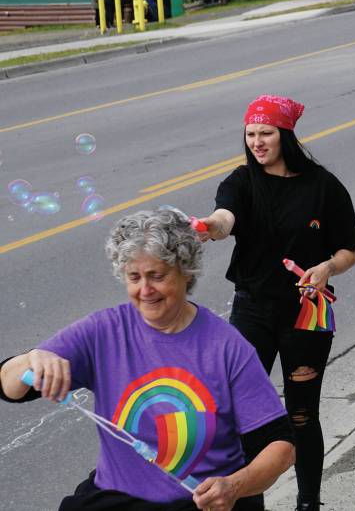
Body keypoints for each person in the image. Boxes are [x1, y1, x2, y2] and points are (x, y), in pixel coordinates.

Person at [0, 209, 295, 511]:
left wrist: (234, 486)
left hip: (203, 501)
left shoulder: (227, 347)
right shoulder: (104, 331)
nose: (145, 290)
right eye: (134, 277)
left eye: (157, 275)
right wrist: (30, 360)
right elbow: (8, 386)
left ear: (185, 271)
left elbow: (280, 447)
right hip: (118, 499)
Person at [197, 95, 355, 511]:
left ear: (285, 135)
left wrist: (327, 267)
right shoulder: (241, 181)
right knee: (240, 412)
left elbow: (349, 250)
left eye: (266, 133)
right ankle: (245, 498)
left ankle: (309, 503)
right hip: (252, 309)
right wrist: (208, 227)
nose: (257, 142)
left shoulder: (322, 185)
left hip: (306, 313)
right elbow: (225, 218)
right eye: (251, 134)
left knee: (302, 414)